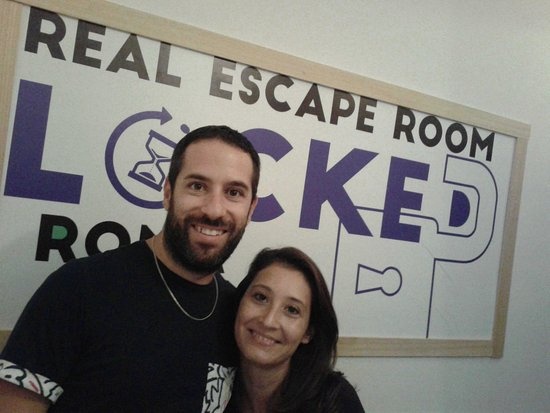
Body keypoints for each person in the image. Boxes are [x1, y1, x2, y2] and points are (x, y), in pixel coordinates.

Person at [0, 125, 260, 412]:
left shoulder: (239, 316)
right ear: (168, 193)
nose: (214, 210)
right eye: (197, 186)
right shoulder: (79, 287)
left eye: (234, 192)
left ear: (250, 209)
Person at [226, 247, 365, 413]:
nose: (268, 321)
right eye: (260, 297)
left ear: (308, 332)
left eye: (292, 310)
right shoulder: (213, 389)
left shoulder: (336, 402)